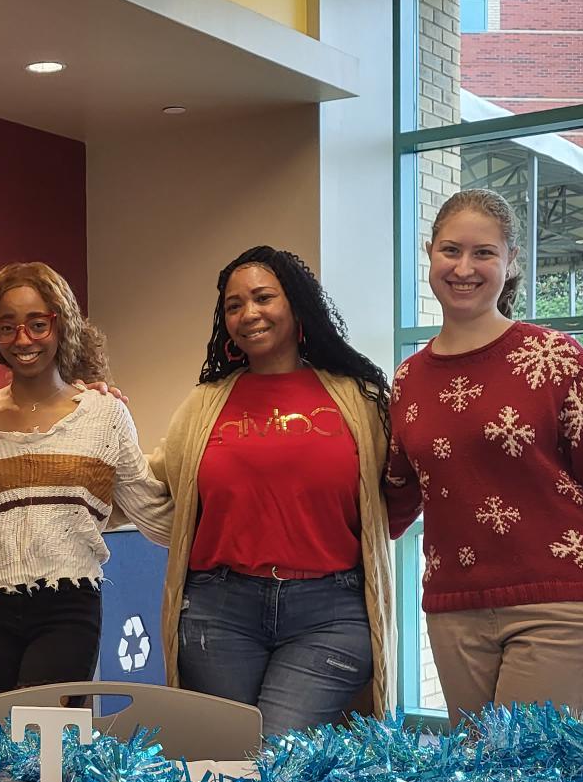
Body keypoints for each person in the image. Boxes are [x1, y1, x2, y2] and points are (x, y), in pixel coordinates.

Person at [385, 187, 583, 722]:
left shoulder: (554, 358)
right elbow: (393, 501)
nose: (465, 267)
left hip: (561, 606)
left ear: (511, 264)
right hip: (453, 611)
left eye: (484, 252)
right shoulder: (407, 381)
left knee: (524, 775)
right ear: (429, 254)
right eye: (450, 250)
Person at [147, 246, 396, 732]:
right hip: (218, 611)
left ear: (297, 305)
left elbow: (397, 492)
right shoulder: (205, 404)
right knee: (230, 756)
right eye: (233, 305)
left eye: (263, 297)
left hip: (330, 610)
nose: (248, 314)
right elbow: (156, 486)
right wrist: (100, 419)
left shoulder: (357, 397)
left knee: (275, 752)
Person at [0, 262, 171, 696]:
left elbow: (151, 507)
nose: (23, 340)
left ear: (61, 325)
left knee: (46, 741)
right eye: (7, 327)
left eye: (37, 325)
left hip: (68, 603)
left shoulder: (105, 415)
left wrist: (223, 522)